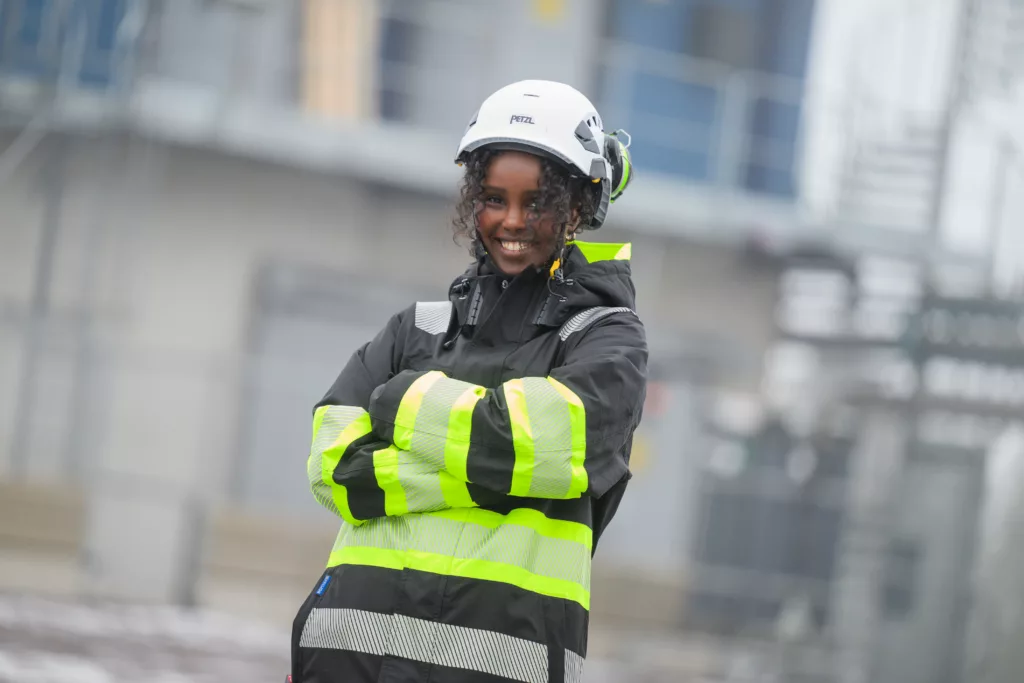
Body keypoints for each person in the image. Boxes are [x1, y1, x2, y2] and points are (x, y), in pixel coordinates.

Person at [289, 79, 648, 683]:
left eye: (537, 202)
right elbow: (336, 470)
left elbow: (531, 446)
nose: (511, 221)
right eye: (492, 198)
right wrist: (492, 470)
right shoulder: (417, 327)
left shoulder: (607, 341)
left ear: (580, 207)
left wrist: (399, 403)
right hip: (347, 658)